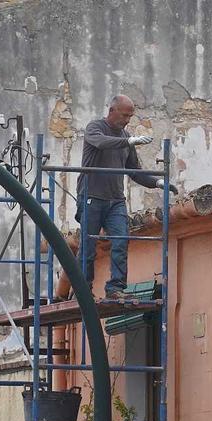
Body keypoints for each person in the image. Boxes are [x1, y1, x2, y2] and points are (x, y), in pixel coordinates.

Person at [76, 94, 177, 299]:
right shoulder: (95, 128)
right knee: (88, 245)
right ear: (112, 111)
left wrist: (157, 183)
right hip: (92, 197)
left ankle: (116, 288)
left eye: (130, 116)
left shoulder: (126, 138)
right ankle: (82, 290)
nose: (127, 120)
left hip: (115, 201)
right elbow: (101, 143)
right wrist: (128, 141)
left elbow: (134, 171)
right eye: (125, 115)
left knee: (121, 240)